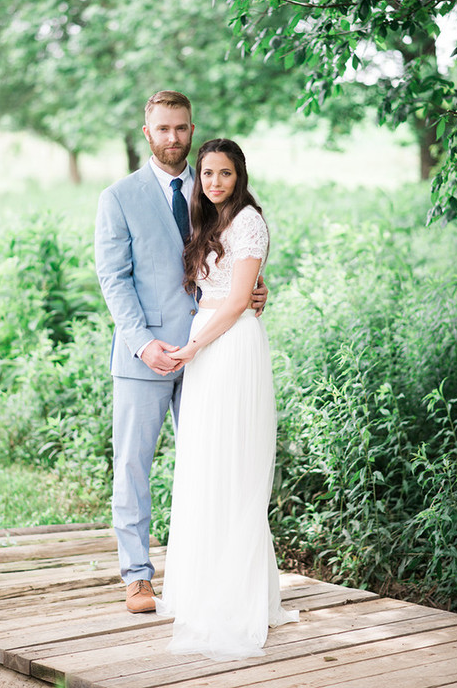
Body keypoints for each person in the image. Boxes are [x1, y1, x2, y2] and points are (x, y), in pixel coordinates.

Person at [94, 92, 267, 614]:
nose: (173, 138)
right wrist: (144, 344)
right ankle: (137, 577)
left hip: (210, 356)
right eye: (163, 128)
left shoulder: (213, 187)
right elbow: (113, 278)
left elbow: (235, 259)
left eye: (182, 128)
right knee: (133, 466)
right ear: (147, 132)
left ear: (193, 130)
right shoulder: (118, 197)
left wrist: (257, 292)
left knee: (210, 464)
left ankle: (210, 575)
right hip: (146, 354)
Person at [155, 138, 299, 660]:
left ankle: (236, 599)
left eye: (225, 173)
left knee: (233, 464)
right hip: (207, 347)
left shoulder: (248, 222)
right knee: (204, 462)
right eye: (208, 174)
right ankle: (203, 587)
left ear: (240, 176)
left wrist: (193, 345)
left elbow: (240, 298)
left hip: (230, 346)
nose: (215, 182)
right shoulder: (207, 221)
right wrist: (197, 343)